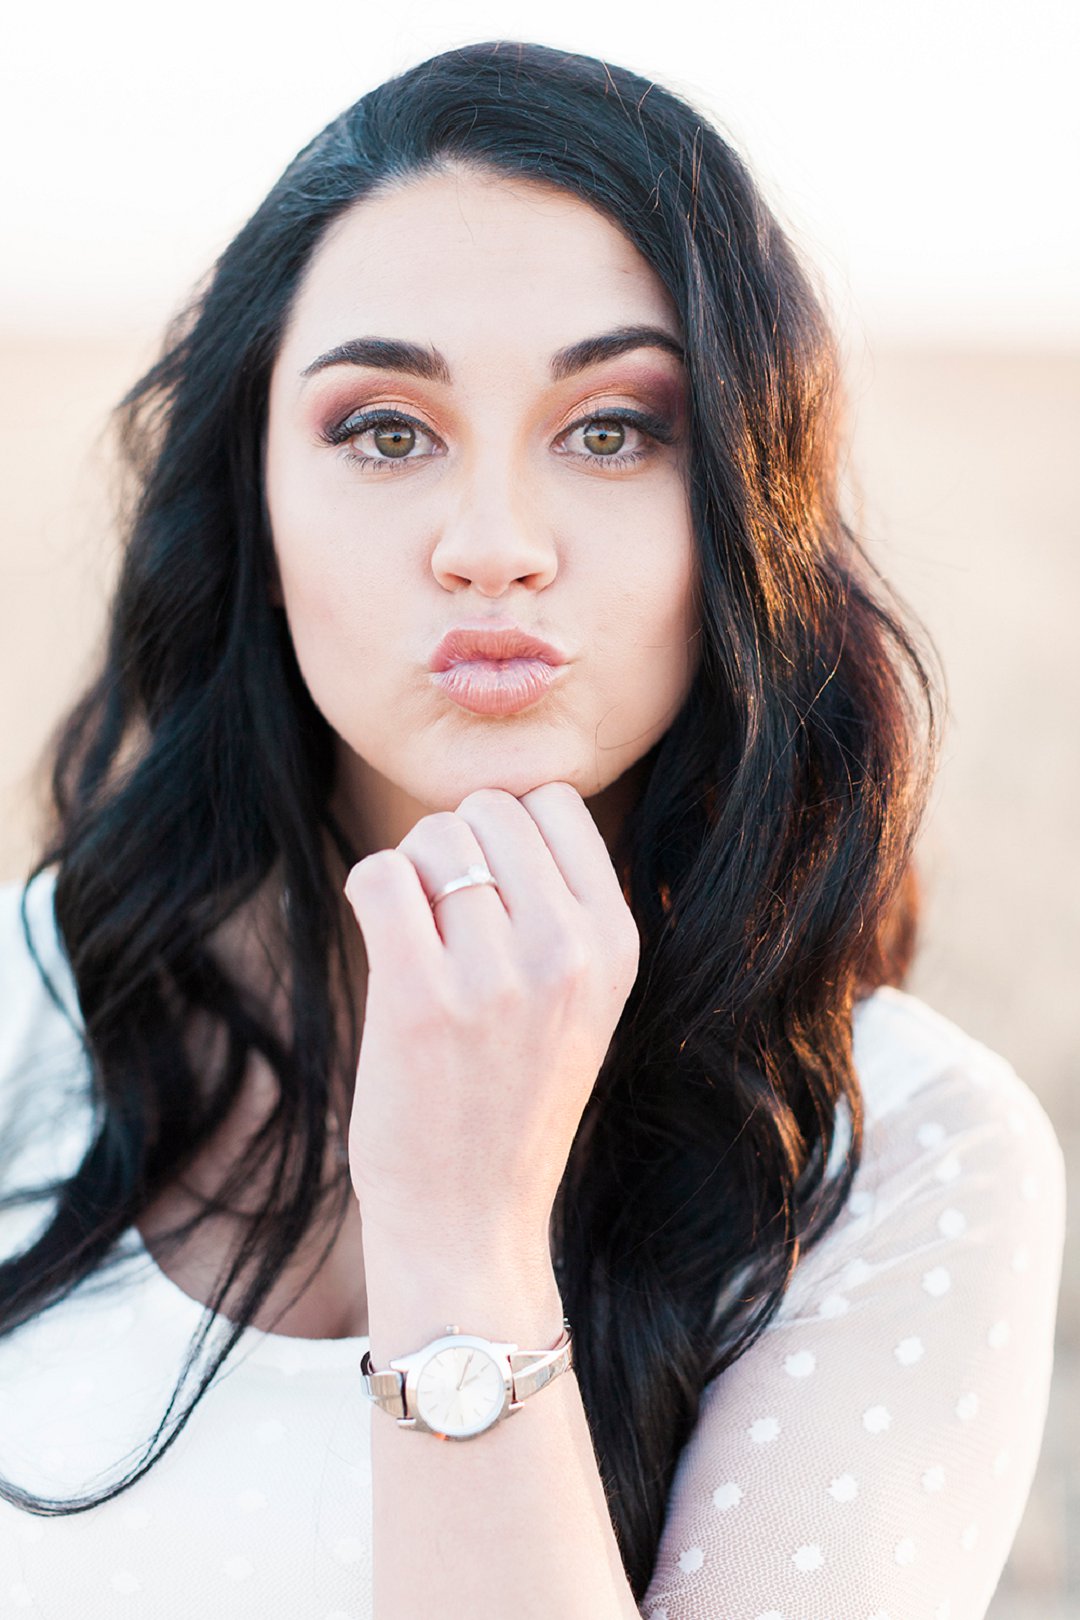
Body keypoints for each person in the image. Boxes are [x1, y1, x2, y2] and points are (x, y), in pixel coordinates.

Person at [0, 37, 1065, 1620]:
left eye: (614, 428)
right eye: (385, 431)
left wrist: (464, 1236)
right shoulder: (34, 1006)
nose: (493, 544)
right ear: (258, 509)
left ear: (745, 510)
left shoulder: (905, 1160)